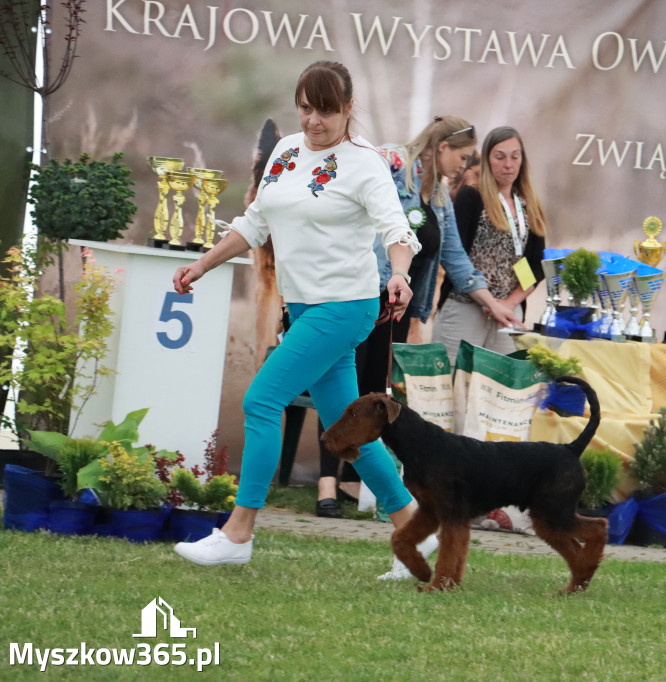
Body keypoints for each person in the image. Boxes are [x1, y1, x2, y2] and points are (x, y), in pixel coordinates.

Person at [171, 60, 428, 570]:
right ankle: (416, 533)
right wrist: (202, 265)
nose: (314, 121)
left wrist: (398, 273)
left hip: (346, 308)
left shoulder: (364, 163)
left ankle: (238, 534)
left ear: (349, 109)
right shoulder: (287, 151)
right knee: (344, 427)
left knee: (262, 401)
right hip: (306, 307)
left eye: (327, 111)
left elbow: (396, 229)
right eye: (306, 108)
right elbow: (255, 222)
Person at [314, 117, 520, 536]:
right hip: (364, 296)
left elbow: (456, 261)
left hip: (399, 306)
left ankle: (370, 488)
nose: (464, 168)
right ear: (441, 147)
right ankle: (326, 485)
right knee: (342, 388)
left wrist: (493, 304)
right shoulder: (391, 169)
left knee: (373, 399)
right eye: (462, 157)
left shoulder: (440, 196)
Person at [434, 126, 547, 362]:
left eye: (515, 157)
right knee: (453, 384)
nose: (508, 165)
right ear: (487, 160)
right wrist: (488, 301)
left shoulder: (529, 204)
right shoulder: (471, 197)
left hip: (508, 314)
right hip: (466, 307)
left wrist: (509, 303)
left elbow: (534, 265)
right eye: (500, 157)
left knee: (501, 388)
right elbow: (456, 257)